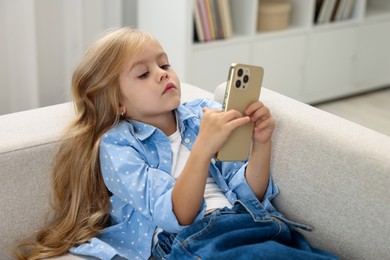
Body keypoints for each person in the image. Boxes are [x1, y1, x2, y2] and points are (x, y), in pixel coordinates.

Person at [15, 27, 337, 260]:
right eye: (143, 73)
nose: (162, 74)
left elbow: (247, 193)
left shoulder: (200, 114)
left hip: (249, 220)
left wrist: (261, 143)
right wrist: (202, 149)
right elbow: (177, 214)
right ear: (117, 103)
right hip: (191, 238)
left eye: (164, 64)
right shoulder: (117, 147)